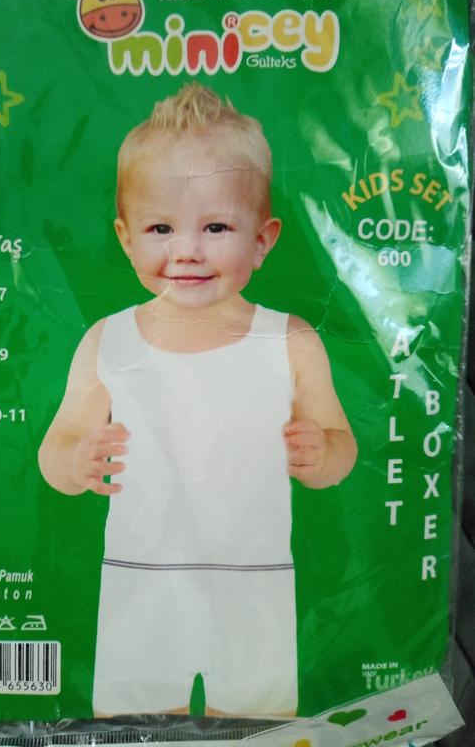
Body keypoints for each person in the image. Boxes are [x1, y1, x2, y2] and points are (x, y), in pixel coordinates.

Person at [38, 83, 357, 718]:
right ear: (126, 237)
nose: (186, 249)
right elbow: (56, 448)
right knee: (132, 721)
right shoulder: (109, 339)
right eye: (160, 227)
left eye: (216, 227)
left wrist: (323, 454)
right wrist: (76, 462)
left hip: (255, 576)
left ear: (263, 239)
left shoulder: (290, 341)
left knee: (258, 721)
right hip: (141, 575)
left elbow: (342, 443)